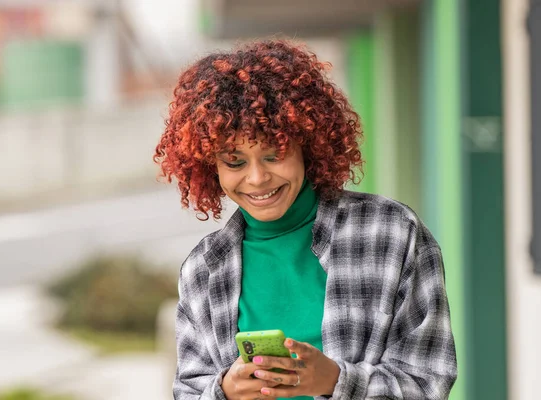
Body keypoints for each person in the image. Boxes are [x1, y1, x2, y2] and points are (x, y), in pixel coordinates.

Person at [154, 39, 457, 400]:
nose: (256, 178)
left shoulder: (392, 233)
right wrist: (224, 391)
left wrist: (335, 381)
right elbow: (188, 390)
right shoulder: (203, 270)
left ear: (307, 145)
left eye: (274, 154)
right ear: (209, 166)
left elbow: (430, 382)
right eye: (234, 162)